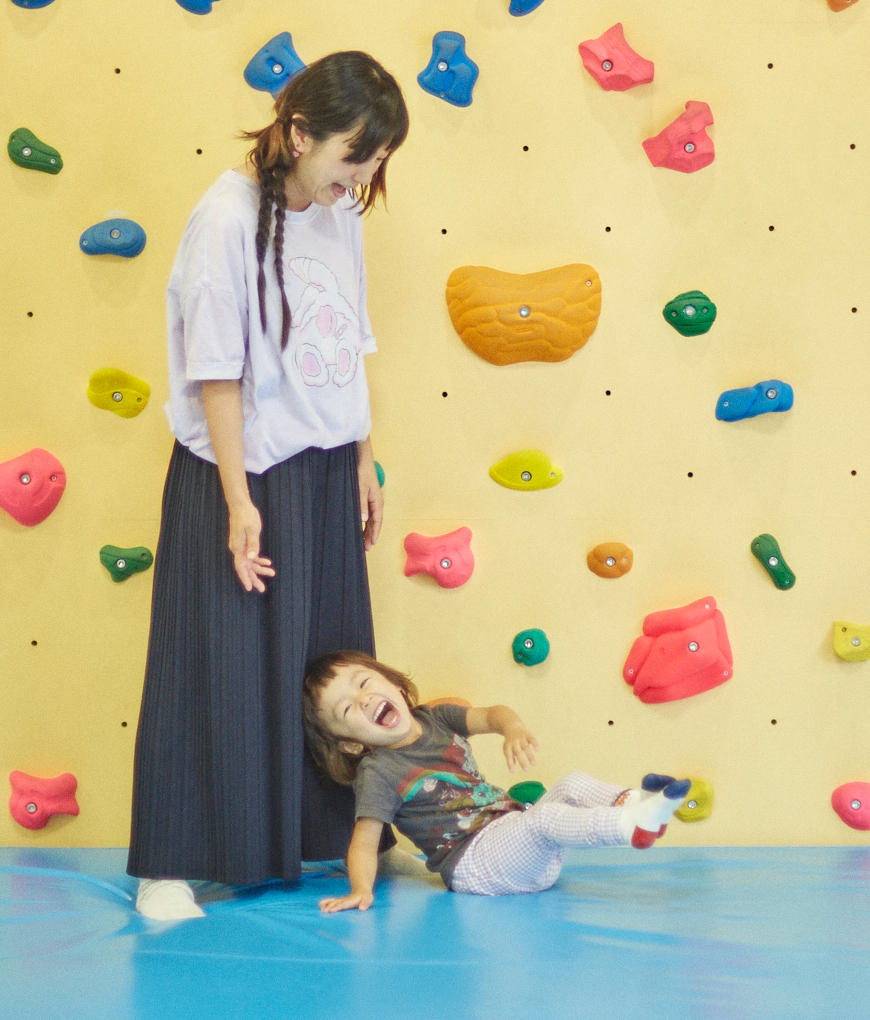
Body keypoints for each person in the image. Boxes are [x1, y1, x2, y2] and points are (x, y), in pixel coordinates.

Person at [127, 51, 410, 921]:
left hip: (324, 464)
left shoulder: (338, 214)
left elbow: (352, 344)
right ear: (296, 133)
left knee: (325, 663)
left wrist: (361, 459)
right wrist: (238, 497)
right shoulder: (225, 218)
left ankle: (320, 837)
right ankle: (167, 865)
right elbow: (217, 371)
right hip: (241, 466)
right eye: (352, 158)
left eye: (373, 165)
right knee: (216, 654)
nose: (360, 181)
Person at [302, 650, 691, 909]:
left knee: (571, 784)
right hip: (475, 863)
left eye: (364, 684)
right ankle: (631, 826)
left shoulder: (434, 719)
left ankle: (637, 802)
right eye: (348, 708)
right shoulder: (379, 770)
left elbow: (492, 715)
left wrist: (513, 728)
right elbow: (365, 841)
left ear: (396, 686)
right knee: (547, 817)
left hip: (513, 840)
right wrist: (360, 891)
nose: (364, 699)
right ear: (351, 746)